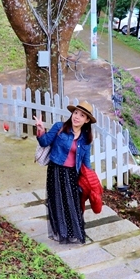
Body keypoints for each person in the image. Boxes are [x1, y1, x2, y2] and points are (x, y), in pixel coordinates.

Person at [35, 101, 96, 244]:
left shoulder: (86, 139)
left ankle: (75, 233)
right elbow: (44, 142)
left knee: (72, 204)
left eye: (82, 115)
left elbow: (86, 161)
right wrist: (40, 130)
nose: (77, 117)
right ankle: (60, 233)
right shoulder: (59, 127)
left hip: (72, 174)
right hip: (55, 171)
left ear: (86, 120)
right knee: (56, 202)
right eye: (75, 113)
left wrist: (91, 178)